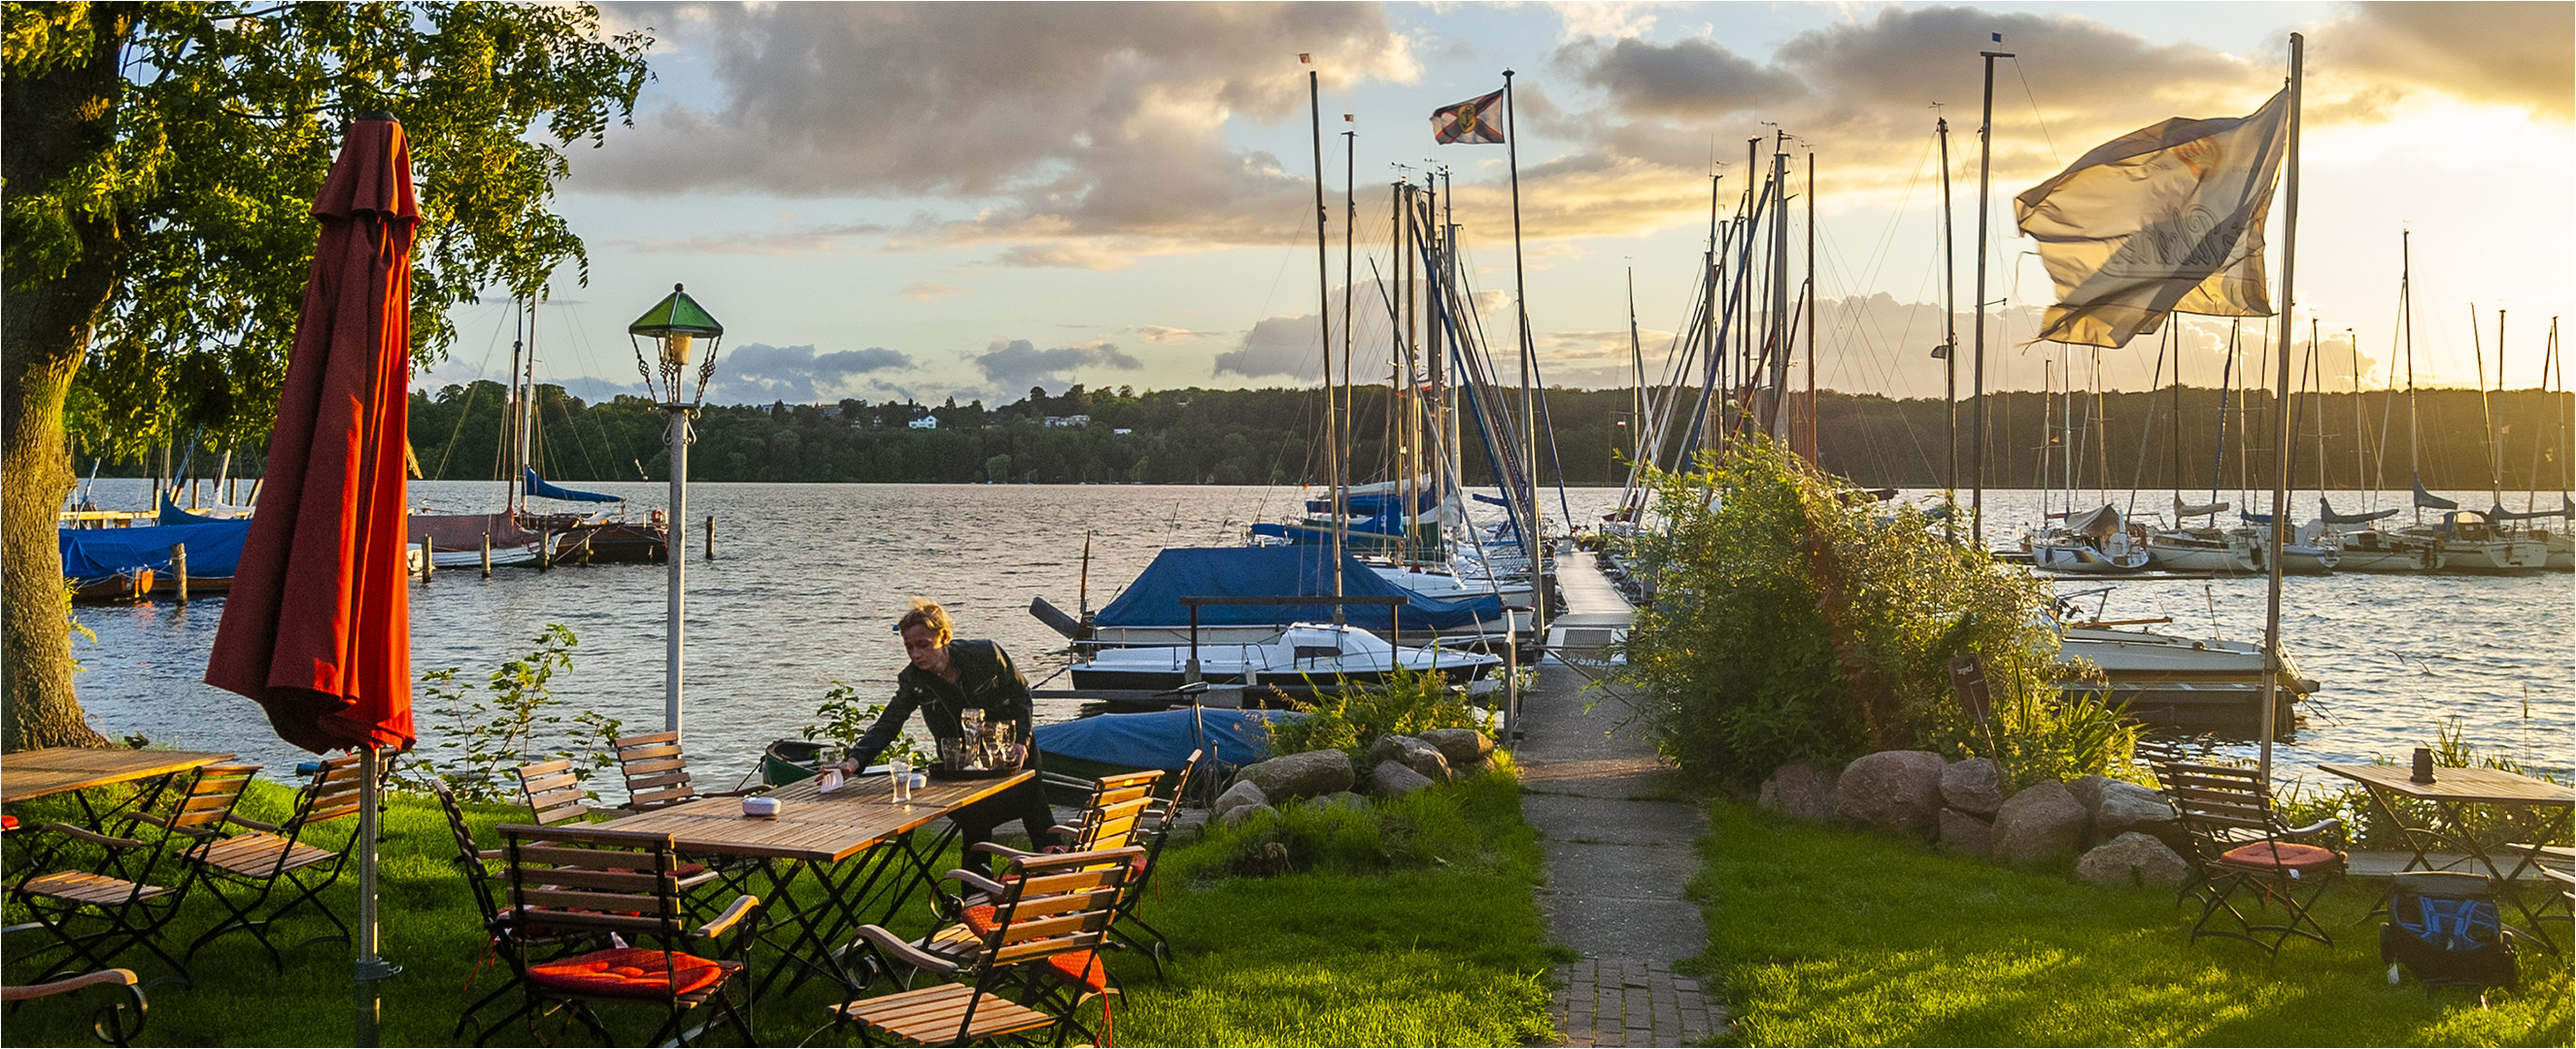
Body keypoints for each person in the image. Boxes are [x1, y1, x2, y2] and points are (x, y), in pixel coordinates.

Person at [825, 597, 1059, 852]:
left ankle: (1056, 874)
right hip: (961, 764)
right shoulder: (913, 679)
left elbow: (1021, 695)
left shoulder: (986, 655)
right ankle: (976, 888)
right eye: (909, 647)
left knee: (1035, 809)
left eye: (923, 645)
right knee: (974, 821)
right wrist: (853, 762)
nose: (916, 654)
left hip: (1009, 751)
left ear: (944, 637)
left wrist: (1020, 740)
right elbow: (888, 724)